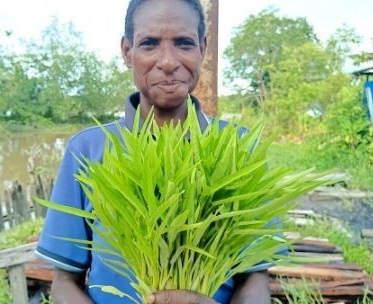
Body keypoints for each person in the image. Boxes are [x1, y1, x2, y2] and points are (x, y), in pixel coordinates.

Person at [36, 0, 272, 303]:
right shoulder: (87, 150)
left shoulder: (238, 148)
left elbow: (255, 277)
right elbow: (64, 281)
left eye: (184, 43)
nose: (168, 61)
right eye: (149, 44)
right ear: (127, 52)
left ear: (202, 49)